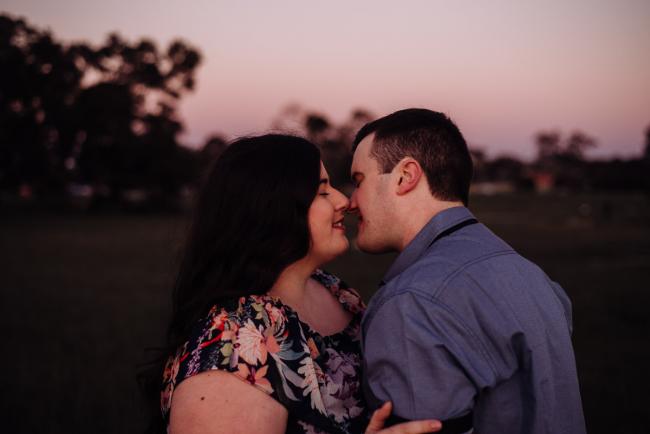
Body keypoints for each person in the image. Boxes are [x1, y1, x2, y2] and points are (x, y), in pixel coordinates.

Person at [158, 135, 441, 434]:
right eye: (322, 192)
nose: (344, 201)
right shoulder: (232, 349)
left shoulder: (337, 293)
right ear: (272, 207)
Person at [349, 109, 586, 434]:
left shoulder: (412, 305)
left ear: (406, 176)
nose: (350, 202)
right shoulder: (527, 273)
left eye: (358, 181)